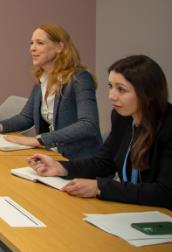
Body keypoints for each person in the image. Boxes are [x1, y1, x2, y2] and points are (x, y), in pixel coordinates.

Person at [28, 55, 172, 208]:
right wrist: (61, 167)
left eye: (121, 89)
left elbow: (165, 193)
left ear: (147, 93)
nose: (111, 96)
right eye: (111, 86)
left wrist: (100, 187)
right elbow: (104, 162)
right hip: (134, 207)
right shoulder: (122, 117)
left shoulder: (168, 126)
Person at [0, 23, 102, 159]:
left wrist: (39, 140)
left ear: (59, 47)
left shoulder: (80, 78)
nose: (32, 48)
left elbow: (88, 125)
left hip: (80, 160)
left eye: (40, 43)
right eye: (31, 43)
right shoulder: (43, 78)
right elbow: (26, 118)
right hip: (52, 155)